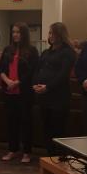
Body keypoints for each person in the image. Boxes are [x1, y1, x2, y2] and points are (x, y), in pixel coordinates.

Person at [33, 22, 76, 155]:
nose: (50, 36)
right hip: (44, 96)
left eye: (53, 33)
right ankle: (49, 156)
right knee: (46, 128)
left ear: (60, 34)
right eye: (49, 33)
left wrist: (48, 87)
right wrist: (35, 83)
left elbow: (62, 75)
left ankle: (59, 157)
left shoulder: (67, 52)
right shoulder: (46, 52)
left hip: (59, 97)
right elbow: (38, 69)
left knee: (58, 129)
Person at [0, 22, 39, 163]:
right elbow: (1, 69)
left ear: (24, 34)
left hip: (24, 92)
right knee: (11, 122)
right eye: (14, 32)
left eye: (18, 32)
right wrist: (7, 81)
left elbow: (32, 71)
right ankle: (12, 149)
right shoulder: (7, 49)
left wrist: (17, 82)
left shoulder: (32, 50)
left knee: (25, 122)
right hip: (9, 91)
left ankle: (27, 152)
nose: (15, 34)